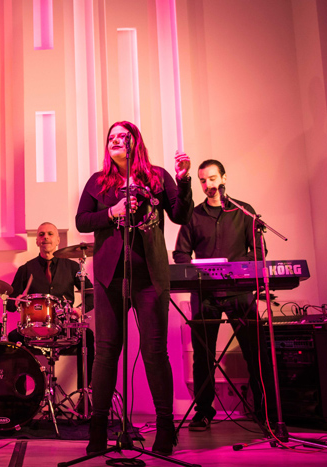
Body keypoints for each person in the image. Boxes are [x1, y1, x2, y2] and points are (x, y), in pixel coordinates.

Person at [75, 121, 193, 456]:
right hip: (110, 277)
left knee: (155, 353)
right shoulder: (98, 182)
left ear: (135, 142)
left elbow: (181, 216)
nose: (115, 141)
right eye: (111, 137)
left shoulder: (157, 177)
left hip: (150, 278)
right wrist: (111, 213)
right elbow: (82, 220)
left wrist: (183, 181)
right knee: (106, 353)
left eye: (122, 136)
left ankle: (165, 428)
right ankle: (98, 430)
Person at [173, 159, 275, 431]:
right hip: (205, 292)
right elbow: (181, 253)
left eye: (212, 178)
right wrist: (196, 269)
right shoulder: (193, 215)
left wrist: (238, 268)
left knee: (255, 352)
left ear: (224, 178)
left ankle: (265, 411)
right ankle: (204, 412)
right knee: (203, 356)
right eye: (202, 180)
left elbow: (259, 251)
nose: (208, 184)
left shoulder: (244, 211)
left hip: (239, 291)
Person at [6, 222, 95, 400]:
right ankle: (21, 400)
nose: (45, 237)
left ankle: (84, 396)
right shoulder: (26, 269)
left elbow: (91, 295)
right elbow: (9, 304)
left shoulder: (72, 267)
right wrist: (17, 301)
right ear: (37, 241)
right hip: (33, 331)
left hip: (65, 328)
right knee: (13, 339)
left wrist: (79, 310)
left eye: (50, 234)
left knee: (88, 336)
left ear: (58, 240)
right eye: (41, 234)